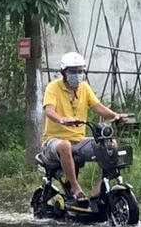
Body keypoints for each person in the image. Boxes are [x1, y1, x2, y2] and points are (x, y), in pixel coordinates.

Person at [40, 51, 127, 202]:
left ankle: (99, 187)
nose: (77, 74)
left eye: (80, 71)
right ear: (64, 72)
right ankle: (75, 188)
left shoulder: (84, 88)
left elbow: (99, 108)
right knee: (65, 145)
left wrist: (116, 116)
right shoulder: (53, 87)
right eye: (73, 71)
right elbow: (49, 111)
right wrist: (62, 120)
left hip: (78, 141)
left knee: (110, 144)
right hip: (54, 142)